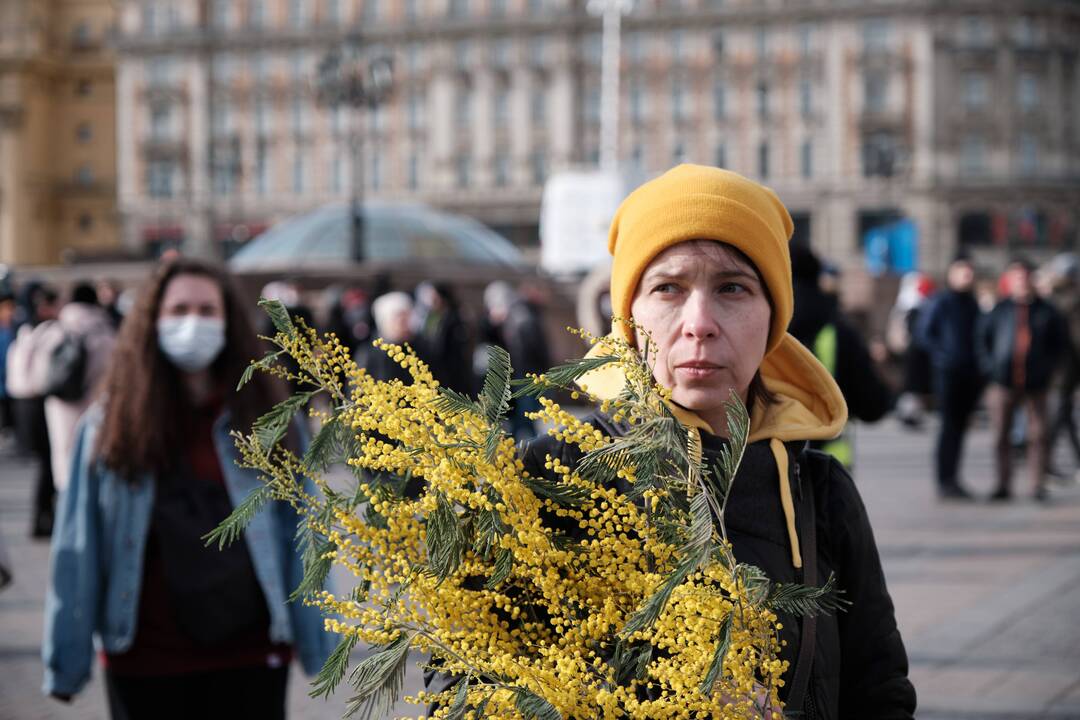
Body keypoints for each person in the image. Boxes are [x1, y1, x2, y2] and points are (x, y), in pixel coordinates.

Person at [522, 165, 916, 718]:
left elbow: (880, 695)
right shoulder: (554, 476)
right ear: (629, 319)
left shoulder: (822, 494)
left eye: (732, 287)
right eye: (667, 288)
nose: (699, 322)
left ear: (773, 317)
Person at [42, 258, 333, 719]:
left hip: (250, 659)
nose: (192, 323)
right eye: (178, 310)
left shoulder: (270, 420)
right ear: (152, 321)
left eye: (205, 310)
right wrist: (66, 659)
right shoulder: (109, 425)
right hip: (146, 662)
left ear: (229, 321)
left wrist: (318, 642)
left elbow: (306, 535)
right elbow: (78, 544)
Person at [788, 243, 893, 468]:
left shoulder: (760, 323)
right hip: (829, 464)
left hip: (766, 463)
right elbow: (872, 402)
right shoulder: (836, 325)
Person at [977, 258, 1067, 502]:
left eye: (1026, 277)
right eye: (1017, 277)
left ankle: (1037, 484)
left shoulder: (1047, 311)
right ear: (1010, 281)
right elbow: (982, 340)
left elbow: (1060, 345)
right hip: (1002, 381)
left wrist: (1049, 372)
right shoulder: (1000, 309)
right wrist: (990, 368)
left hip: (1036, 383)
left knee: (1038, 434)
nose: (1022, 282)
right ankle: (1003, 484)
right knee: (1000, 436)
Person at [915, 254, 985, 500]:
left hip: (970, 375)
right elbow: (924, 334)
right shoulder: (940, 302)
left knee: (960, 428)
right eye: (962, 271)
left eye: (970, 272)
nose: (967, 276)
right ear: (951, 274)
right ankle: (945, 480)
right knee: (948, 427)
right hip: (948, 374)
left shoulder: (973, 304)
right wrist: (943, 357)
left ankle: (954, 478)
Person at [41, 282, 117, 492]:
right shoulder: (107, 332)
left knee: (64, 454)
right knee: (93, 455)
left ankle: (65, 500)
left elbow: (40, 373)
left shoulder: (58, 330)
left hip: (61, 405)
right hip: (97, 405)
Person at [5, 284, 61, 536]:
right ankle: (44, 519)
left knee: (46, 463)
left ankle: (43, 518)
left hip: (23, 402)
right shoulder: (51, 332)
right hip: (40, 402)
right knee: (49, 464)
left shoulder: (26, 331)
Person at [1043, 256, 1080, 483]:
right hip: (1061, 367)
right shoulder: (1057, 300)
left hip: (1066, 367)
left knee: (1061, 415)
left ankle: (1046, 462)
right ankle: (1047, 463)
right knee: (1061, 416)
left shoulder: (1064, 300)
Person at [412, 281, 471, 393]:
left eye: (435, 297)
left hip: (450, 367)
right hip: (432, 365)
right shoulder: (430, 316)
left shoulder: (454, 317)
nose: (432, 301)